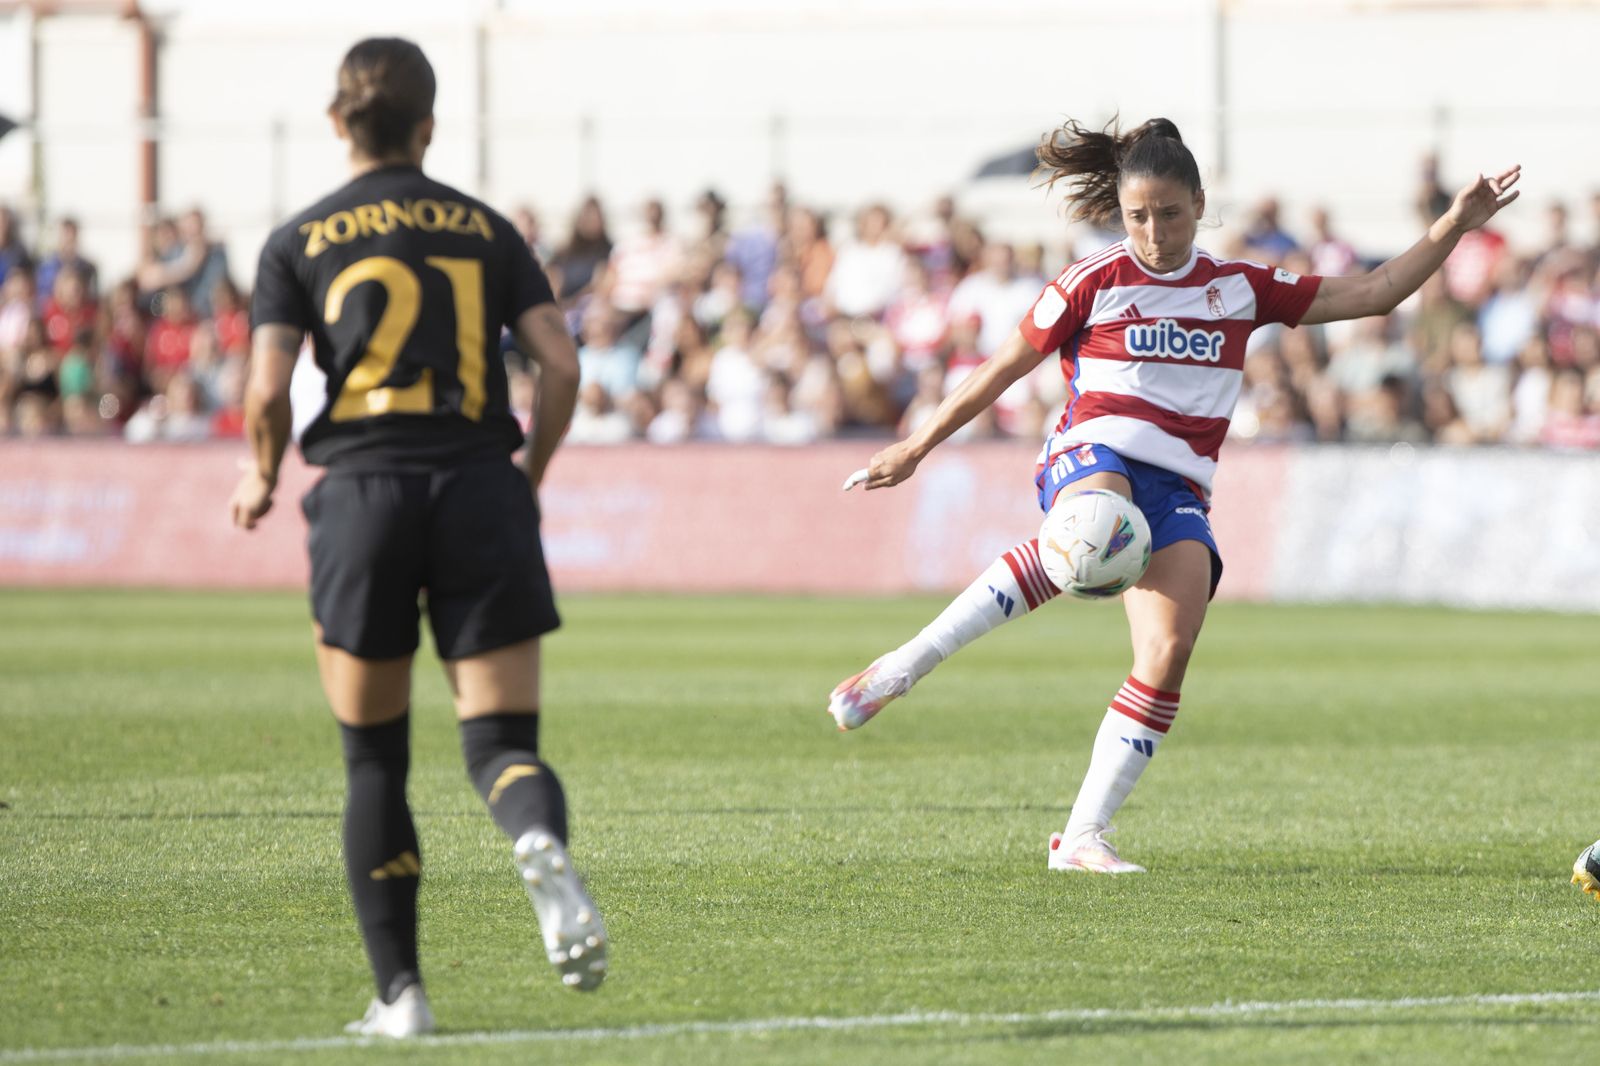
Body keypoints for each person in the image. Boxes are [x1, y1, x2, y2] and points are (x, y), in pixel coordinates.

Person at [829, 116, 1519, 874]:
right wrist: (917, 446)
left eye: (1169, 213)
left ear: (1198, 202)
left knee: (1168, 650)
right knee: (1094, 523)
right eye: (1137, 216)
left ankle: (1081, 837)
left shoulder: (1239, 288)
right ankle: (903, 666)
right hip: (1094, 452)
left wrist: (1453, 224)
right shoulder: (1091, 281)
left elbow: (1376, 292)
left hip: (1179, 484)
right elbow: (1001, 367)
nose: (1153, 232)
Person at [227, 37, 604, 1038]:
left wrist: (261, 473)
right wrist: (528, 475)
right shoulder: (486, 229)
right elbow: (560, 367)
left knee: (373, 761)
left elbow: (266, 388)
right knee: (500, 742)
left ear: (337, 120)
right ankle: (535, 838)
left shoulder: (297, 238)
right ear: (429, 126)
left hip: (362, 495)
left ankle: (401, 996)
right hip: (479, 486)